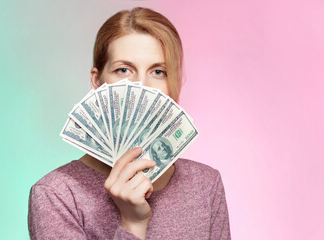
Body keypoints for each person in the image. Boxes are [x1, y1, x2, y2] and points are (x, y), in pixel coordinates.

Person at [28, 7, 231, 240]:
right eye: (123, 70)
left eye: (158, 71)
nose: (141, 86)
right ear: (97, 81)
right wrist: (132, 224)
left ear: (173, 83)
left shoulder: (205, 185)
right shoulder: (57, 195)